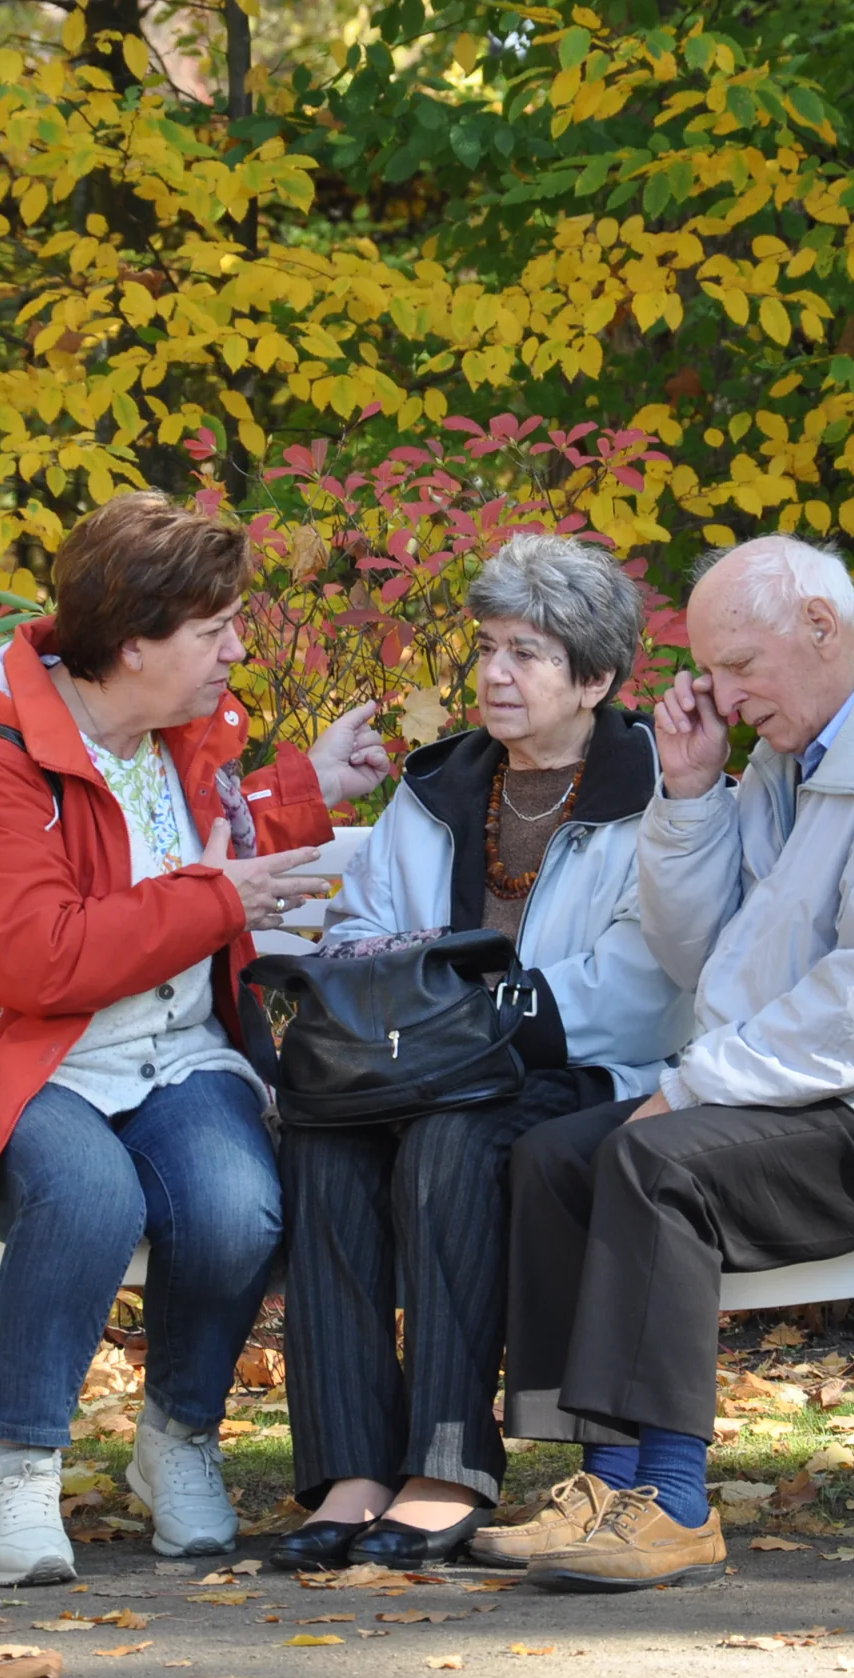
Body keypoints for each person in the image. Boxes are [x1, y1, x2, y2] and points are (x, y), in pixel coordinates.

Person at [485, 534, 854, 1591]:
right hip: (812, 1092)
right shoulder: (798, 754)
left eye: (740, 665)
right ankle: (609, 1483)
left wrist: (689, 1088)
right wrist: (692, 796)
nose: (725, 695)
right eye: (710, 670)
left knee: (657, 1163)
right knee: (555, 1154)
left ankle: (673, 1503)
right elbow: (709, 955)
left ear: (821, 629)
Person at [0, 491, 391, 1586]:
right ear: (135, 640)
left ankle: (177, 1437)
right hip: (23, 1059)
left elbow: (207, 831)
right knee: (93, 1193)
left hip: (173, 1051)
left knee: (237, 1202)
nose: (234, 651)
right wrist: (217, 901)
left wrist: (306, 786)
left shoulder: (173, 733)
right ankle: (17, 1468)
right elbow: (37, 959)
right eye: (214, 631)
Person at [268, 535, 693, 1573]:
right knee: (327, 1139)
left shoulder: (651, 791)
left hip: (576, 1071)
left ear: (593, 678)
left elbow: (640, 986)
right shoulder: (439, 787)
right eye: (489, 647)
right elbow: (364, 928)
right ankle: (350, 1466)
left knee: (453, 1143)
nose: (496, 673)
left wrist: (481, 1015)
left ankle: (450, 1462)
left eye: (529, 654)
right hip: (420, 1061)